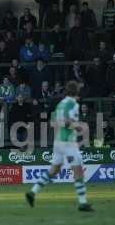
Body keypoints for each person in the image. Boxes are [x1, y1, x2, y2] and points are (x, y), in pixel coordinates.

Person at [25, 81, 94, 212]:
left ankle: (33, 192)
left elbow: (53, 122)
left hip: (58, 141)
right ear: (76, 92)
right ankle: (83, 202)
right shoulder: (73, 104)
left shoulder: (60, 104)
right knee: (78, 170)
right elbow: (68, 122)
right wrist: (79, 126)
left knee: (54, 170)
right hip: (68, 142)